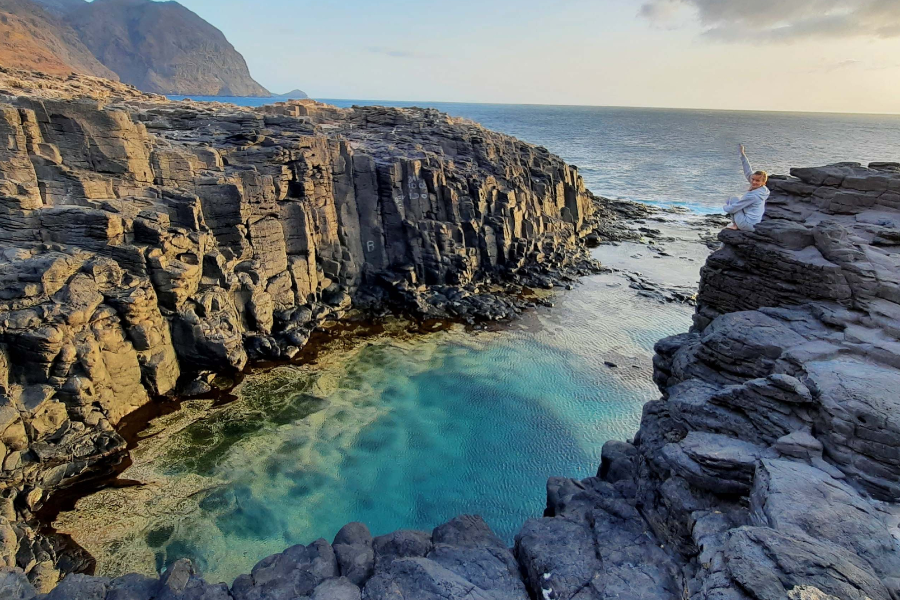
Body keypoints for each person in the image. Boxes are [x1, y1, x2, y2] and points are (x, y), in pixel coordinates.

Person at [723, 145, 769, 231]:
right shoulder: (763, 190)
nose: (754, 182)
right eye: (753, 179)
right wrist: (742, 154)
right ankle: (736, 223)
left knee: (734, 201)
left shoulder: (754, 196)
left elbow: (734, 208)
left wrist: (724, 207)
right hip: (755, 223)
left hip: (748, 225)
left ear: (763, 182)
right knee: (735, 200)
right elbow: (748, 172)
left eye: (757, 181)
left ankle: (735, 225)